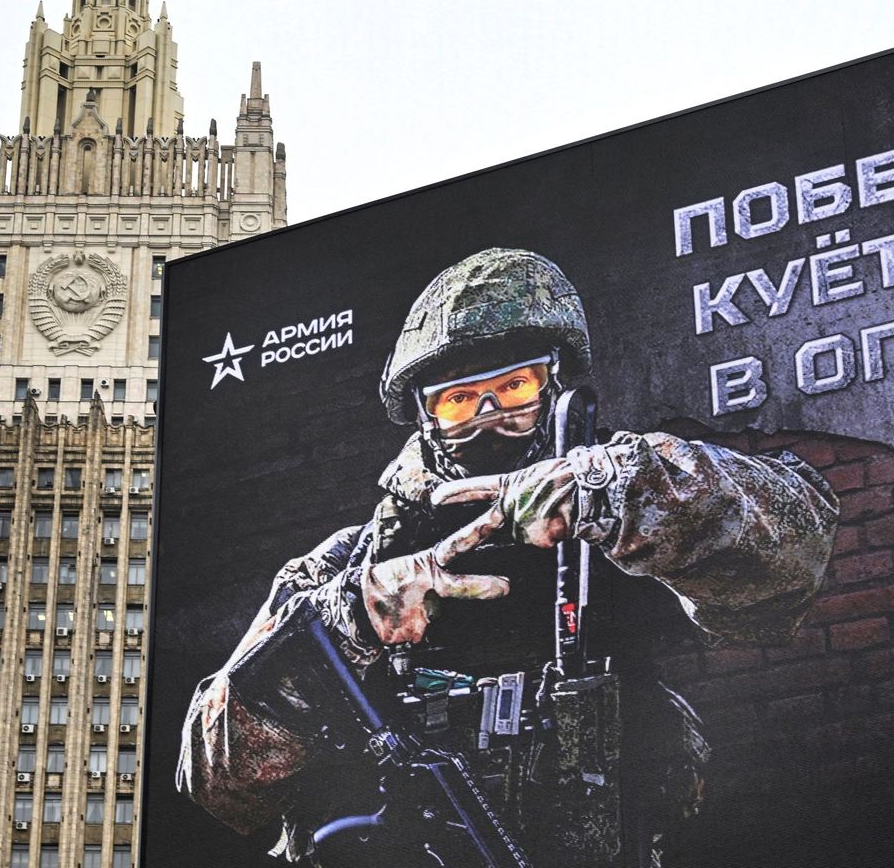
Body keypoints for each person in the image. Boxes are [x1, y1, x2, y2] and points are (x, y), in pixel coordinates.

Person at [177, 248, 840, 865]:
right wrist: (354, 618)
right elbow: (216, 782)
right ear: (425, 416)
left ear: (553, 388)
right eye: (459, 400)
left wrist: (623, 494)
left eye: (515, 388)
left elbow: (794, 564)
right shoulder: (347, 567)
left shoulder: (626, 510)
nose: (488, 415)